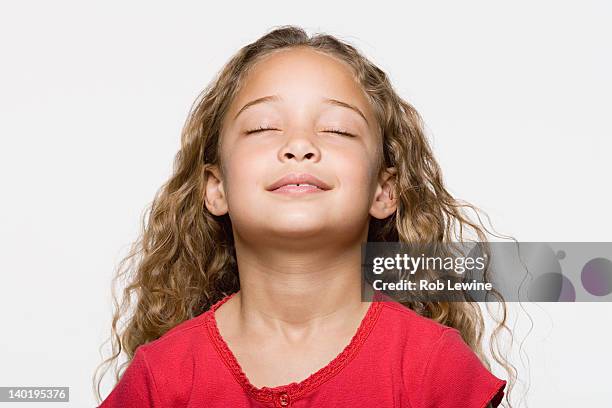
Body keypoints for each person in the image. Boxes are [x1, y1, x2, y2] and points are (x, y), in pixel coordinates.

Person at [94, 25, 513, 407]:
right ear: (215, 188)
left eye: (338, 130)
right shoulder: (160, 376)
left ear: (384, 191)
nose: (298, 146)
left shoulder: (434, 367)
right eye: (261, 127)